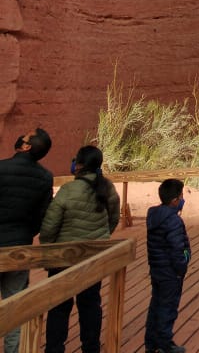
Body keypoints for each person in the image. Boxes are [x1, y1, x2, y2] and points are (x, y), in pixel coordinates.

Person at [40, 145, 121, 353]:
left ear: (80, 165)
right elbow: (112, 219)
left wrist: (48, 249)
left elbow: (50, 226)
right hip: (93, 258)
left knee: (59, 308)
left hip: (64, 257)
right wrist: (101, 239)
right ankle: (91, 348)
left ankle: (54, 349)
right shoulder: (107, 188)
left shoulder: (68, 190)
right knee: (90, 305)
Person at [0, 128, 54, 353]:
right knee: (16, 309)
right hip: (19, 250)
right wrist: (25, 234)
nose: (21, 135)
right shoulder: (45, 177)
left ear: (26, 146)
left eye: (24, 135)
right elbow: (42, 216)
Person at [144, 179, 191, 353]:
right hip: (171, 272)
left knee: (156, 304)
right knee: (168, 307)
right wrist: (182, 267)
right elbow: (177, 249)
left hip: (157, 269)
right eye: (181, 196)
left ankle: (151, 343)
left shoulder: (154, 216)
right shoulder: (173, 221)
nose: (183, 199)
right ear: (174, 201)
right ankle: (165, 343)